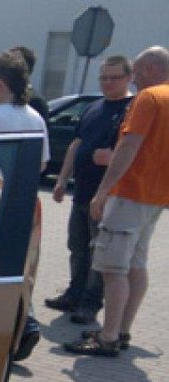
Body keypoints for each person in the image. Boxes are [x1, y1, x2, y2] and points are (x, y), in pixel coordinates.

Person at [65, 46, 169, 357]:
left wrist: (103, 191)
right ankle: (122, 330)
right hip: (155, 198)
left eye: (136, 72)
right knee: (136, 264)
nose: (134, 79)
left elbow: (129, 146)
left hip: (129, 194)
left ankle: (108, 337)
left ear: (150, 69)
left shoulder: (149, 98)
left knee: (113, 268)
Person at [0, 50, 50, 362]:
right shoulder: (35, 118)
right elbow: (42, 164)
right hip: (26, 206)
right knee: (19, 270)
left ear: (0, 84)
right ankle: (24, 325)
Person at [46, 56, 134, 325]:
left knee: (99, 252)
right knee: (77, 246)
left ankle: (90, 303)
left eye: (114, 77)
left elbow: (135, 152)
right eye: (104, 77)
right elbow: (76, 144)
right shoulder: (94, 107)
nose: (108, 83)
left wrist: (111, 158)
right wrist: (62, 179)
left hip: (108, 196)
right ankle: (74, 294)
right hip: (82, 192)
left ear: (129, 78)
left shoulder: (132, 109)